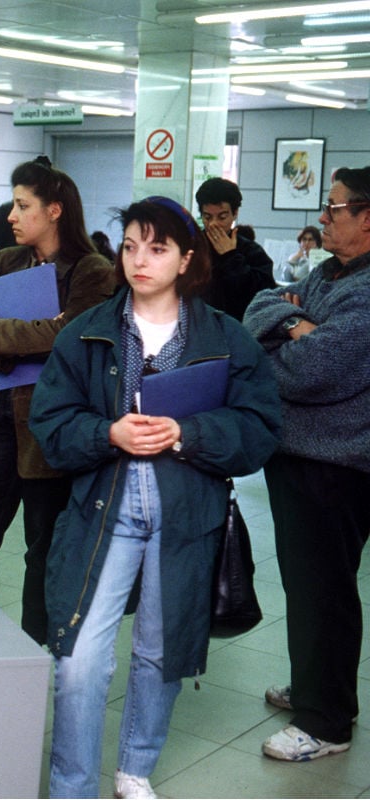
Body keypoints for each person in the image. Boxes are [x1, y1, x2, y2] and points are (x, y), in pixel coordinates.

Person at [31, 197, 280, 799]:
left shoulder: (226, 337)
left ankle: (135, 767)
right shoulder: (87, 333)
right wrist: (106, 432)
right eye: (131, 246)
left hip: (185, 512)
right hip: (102, 508)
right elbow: (52, 425)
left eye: (158, 247)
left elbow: (259, 429)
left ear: (187, 258)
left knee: (159, 650)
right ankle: (71, 785)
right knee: (79, 659)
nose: (140, 260)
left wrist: (188, 432)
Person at [0, 157, 116, 642]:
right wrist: (5, 351)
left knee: (43, 549)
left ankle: (34, 645)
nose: (12, 216)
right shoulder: (5, 262)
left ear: (55, 210)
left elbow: (65, 337)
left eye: (23, 206)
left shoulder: (92, 272)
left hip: (48, 429)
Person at [243, 165, 370, 763]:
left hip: (337, 463)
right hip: (296, 453)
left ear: (368, 216)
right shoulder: (328, 273)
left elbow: (310, 369)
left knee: (325, 587)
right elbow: (258, 306)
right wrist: (295, 322)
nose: (323, 217)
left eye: (336, 207)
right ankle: (318, 685)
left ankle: (326, 721)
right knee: (305, 581)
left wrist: (286, 342)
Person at [194, 177, 275, 320]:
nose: (213, 224)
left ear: (235, 213)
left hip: (238, 328)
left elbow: (263, 295)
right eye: (207, 217)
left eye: (222, 217)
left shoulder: (251, 250)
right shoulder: (191, 246)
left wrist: (231, 257)